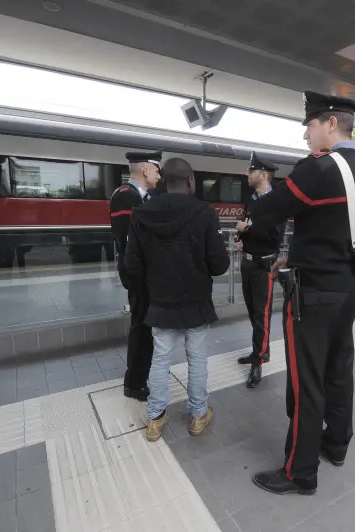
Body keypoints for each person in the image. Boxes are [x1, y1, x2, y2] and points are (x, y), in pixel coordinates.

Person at [248, 91, 355, 495]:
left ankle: (300, 471)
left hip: (315, 292)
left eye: (309, 125)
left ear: (330, 124)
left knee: (307, 382)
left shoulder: (318, 170)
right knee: (339, 368)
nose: (306, 135)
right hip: (349, 286)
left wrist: (257, 200)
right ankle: (336, 444)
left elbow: (269, 208)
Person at [123, 157, 230, 442]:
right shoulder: (205, 213)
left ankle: (155, 419)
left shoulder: (141, 214)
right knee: (197, 358)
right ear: (191, 181)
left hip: (160, 303)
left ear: (164, 181)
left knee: (160, 359)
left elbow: (131, 265)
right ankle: (197, 416)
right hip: (196, 301)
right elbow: (219, 265)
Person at [109, 150, 162, 402]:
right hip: (138, 272)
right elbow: (131, 242)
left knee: (145, 326)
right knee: (141, 328)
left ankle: (141, 375)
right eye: (157, 170)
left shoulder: (143, 196)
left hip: (147, 271)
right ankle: (134, 383)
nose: (159, 175)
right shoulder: (125, 197)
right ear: (145, 170)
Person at [234, 152, 285, 388]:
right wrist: (241, 238)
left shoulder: (277, 201)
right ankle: (260, 351)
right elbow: (248, 224)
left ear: (263, 174)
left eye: (250, 170)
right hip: (247, 262)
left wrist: (248, 230)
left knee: (261, 315)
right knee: (253, 312)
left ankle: (258, 362)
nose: (247, 173)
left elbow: (273, 236)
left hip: (264, 265)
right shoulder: (252, 199)